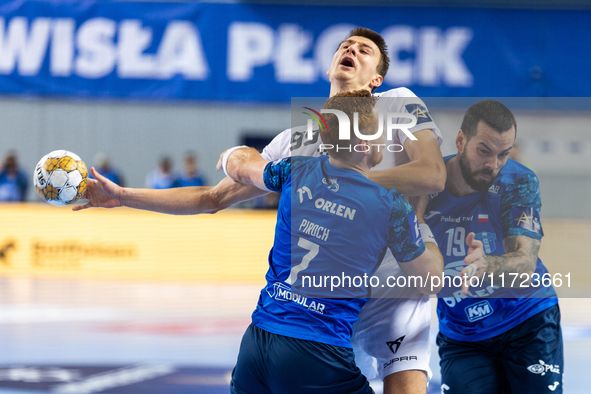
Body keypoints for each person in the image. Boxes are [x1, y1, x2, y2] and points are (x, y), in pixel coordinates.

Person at [75, 27, 446, 394]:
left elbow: (432, 173)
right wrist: (123, 196)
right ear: (330, 65)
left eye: (365, 50)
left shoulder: (398, 102)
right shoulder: (295, 141)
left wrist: (341, 185)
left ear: (376, 79)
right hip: (327, 307)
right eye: (345, 45)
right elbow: (212, 198)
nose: (351, 49)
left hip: (398, 278)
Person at [218, 91, 444, 393]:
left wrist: (230, 154)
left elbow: (243, 168)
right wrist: (422, 223)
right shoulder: (390, 205)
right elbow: (431, 281)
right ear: (365, 145)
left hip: (257, 344)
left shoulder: (295, 169)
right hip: (317, 351)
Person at [421, 100, 561, 393]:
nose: (493, 164)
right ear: (461, 140)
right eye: (484, 151)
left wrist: (488, 265)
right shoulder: (427, 185)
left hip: (527, 319)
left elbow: (525, 262)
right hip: (463, 334)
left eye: (503, 154)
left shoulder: (518, 181)